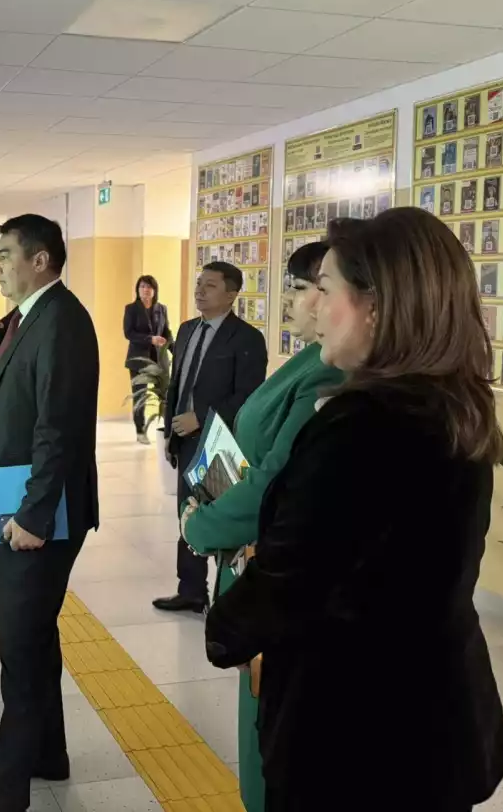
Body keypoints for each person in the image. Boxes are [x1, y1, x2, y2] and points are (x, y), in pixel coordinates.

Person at [204, 207, 503, 812]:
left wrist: (228, 628)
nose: (314, 309)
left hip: (356, 736)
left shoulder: (362, 427)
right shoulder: (451, 403)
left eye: (325, 289)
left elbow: (289, 580)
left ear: (376, 306)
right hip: (436, 719)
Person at [179, 238, 346, 812]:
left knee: (275, 750)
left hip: (271, 566)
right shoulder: (310, 360)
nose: (296, 301)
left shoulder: (331, 378)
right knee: (260, 723)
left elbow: (276, 482)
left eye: (309, 288)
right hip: (247, 552)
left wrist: (203, 525)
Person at [0, 214, 99, 812]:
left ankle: (7, 792)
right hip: (15, 501)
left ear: (39, 260)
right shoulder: (26, 319)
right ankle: (48, 752)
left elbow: (57, 428)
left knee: (19, 649)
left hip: (39, 515)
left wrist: (34, 517)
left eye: (5, 254)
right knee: (35, 638)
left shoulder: (62, 321)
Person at [153, 262, 266, 614]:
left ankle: (229, 595)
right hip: (184, 440)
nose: (200, 290)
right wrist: (171, 431)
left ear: (231, 295)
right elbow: (177, 385)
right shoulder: (187, 330)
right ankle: (191, 590)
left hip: (219, 443)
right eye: (199, 283)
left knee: (219, 516)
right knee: (187, 514)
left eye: (211, 285)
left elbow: (247, 395)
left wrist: (200, 417)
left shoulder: (247, 339)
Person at [122, 275, 171, 445]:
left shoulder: (161, 309)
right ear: (138, 290)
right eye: (142, 286)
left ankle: (168, 429)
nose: (145, 290)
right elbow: (129, 333)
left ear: (154, 290)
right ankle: (140, 431)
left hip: (159, 360)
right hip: (138, 360)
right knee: (140, 397)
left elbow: (166, 332)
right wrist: (150, 339)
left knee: (165, 395)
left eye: (149, 287)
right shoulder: (131, 309)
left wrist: (175, 350)